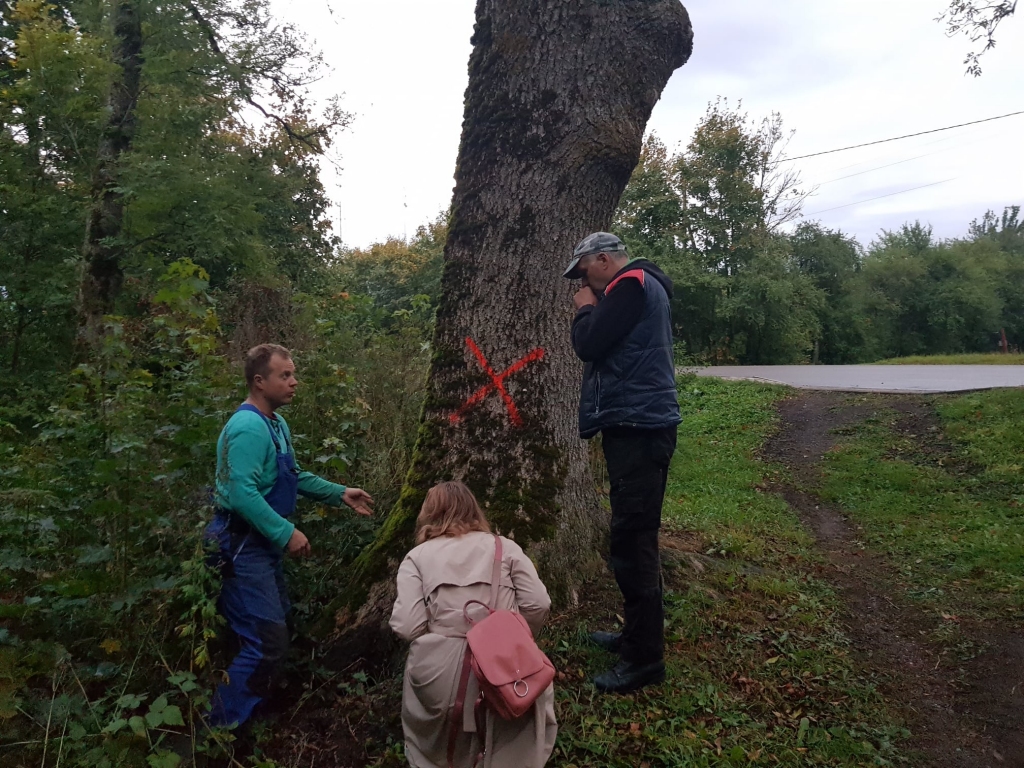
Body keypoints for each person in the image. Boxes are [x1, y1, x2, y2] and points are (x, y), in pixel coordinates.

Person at [206, 343, 374, 729]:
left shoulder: (276, 424)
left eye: (293, 373)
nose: (294, 382)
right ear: (260, 381)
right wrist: (286, 533)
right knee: (266, 641)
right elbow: (240, 493)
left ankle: (253, 715)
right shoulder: (247, 426)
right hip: (241, 545)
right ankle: (217, 730)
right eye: (285, 375)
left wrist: (338, 492)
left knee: (276, 626)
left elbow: (291, 476)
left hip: (261, 546)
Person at [563, 232, 681, 694]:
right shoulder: (640, 285)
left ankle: (645, 659)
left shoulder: (629, 285)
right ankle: (634, 637)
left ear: (603, 260)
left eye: (583, 272)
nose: (582, 281)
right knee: (632, 538)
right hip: (638, 425)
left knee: (634, 544)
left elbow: (588, 344)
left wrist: (584, 308)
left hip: (639, 427)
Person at [389, 482, 556, 768]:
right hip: (507, 666)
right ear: (473, 509)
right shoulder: (506, 547)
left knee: (441, 749)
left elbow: (407, 626)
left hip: (441, 670)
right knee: (513, 731)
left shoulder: (416, 557)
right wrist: (512, 638)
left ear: (428, 515)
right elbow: (539, 603)